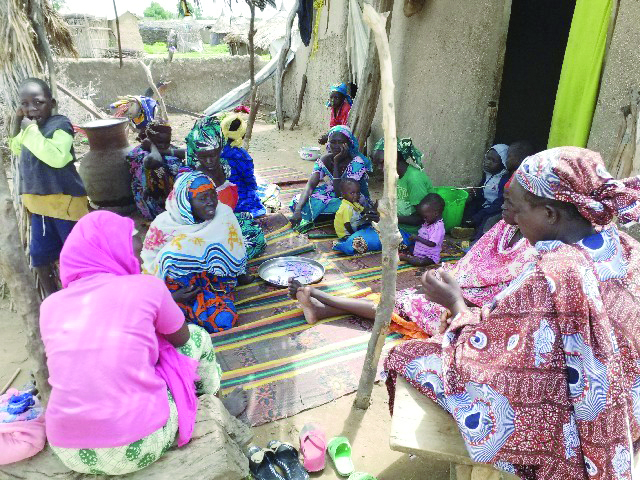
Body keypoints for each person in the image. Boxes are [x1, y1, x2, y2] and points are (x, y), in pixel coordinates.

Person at [384, 147, 640, 479]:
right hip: (628, 409)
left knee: (408, 356)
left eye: (518, 211)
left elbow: (501, 365)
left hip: (579, 429)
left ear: (550, 214)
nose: (510, 219)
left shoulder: (553, 276)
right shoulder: (624, 247)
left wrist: (457, 306)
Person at [40, 210, 249, 475]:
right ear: (111, 250)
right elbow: (183, 338)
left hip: (68, 449)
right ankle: (216, 409)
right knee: (199, 338)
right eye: (131, 242)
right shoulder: (147, 287)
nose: (139, 250)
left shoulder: (50, 306)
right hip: (139, 444)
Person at [289, 182, 532, 338]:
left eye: (510, 201)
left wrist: (453, 296)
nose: (502, 204)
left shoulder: (536, 255)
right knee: (403, 299)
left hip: (476, 316)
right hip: (459, 294)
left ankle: (319, 296)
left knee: (403, 304)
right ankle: (319, 310)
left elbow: (503, 302)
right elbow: (470, 266)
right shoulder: (503, 228)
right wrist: (444, 281)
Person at [9, 77, 88, 297]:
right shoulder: (30, 128)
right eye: (25, 104)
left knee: (75, 255)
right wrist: (19, 123)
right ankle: (53, 303)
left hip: (65, 205)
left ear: (51, 103)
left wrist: (31, 131)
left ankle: (84, 298)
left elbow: (57, 158)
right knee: (39, 257)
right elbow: (15, 147)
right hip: (40, 208)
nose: (31, 108)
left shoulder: (60, 124)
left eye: (38, 102)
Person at [142, 172, 249, 334]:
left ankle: (181, 317)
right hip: (177, 291)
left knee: (223, 320)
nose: (211, 202)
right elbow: (150, 268)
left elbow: (235, 250)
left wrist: (239, 274)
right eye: (202, 198)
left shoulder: (223, 214)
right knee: (172, 255)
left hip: (213, 283)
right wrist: (172, 297)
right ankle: (171, 310)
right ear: (186, 202)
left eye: (213, 195)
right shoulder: (163, 225)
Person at [184, 116, 266, 260]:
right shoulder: (190, 178)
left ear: (220, 148)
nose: (209, 161)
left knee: (256, 237)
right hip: (201, 230)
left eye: (213, 155)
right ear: (195, 154)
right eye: (203, 157)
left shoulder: (225, 167)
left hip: (225, 221)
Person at [291, 125, 372, 231]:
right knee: (298, 201)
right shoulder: (324, 160)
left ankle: (328, 217)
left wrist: (336, 162)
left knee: (345, 207)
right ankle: (329, 217)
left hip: (353, 197)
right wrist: (298, 210)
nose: (336, 146)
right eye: (333, 142)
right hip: (333, 191)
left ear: (348, 143)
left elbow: (342, 194)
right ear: (328, 143)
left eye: (341, 142)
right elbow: (310, 185)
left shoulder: (357, 162)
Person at [371, 138, 434, 238]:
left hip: (413, 233)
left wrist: (388, 219)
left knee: (360, 241)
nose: (379, 168)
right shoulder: (392, 175)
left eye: (382, 162)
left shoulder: (414, 179)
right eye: (376, 164)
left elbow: (421, 219)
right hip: (395, 226)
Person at [127, 122, 185, 221]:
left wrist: (163, 151)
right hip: (151, 205)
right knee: (159, 170)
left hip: (172, 199)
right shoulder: (140, 153)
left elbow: (190, 153)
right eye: (159, 142)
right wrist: (152, 147)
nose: (163, 145)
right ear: (149, 139)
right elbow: (155, 161)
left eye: (167, 142)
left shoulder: (168, 148)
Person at [220, 113, 267, 217]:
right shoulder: (241, 156)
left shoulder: (215, 151)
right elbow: (250, 182)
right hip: (236, 199)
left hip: (218, 197)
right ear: (241, 134)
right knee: (252, 194)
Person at [461, 144, 510, 240]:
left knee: (486, 219)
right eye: (487, 158)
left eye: (493, 161)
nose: (488, 163)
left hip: (496, 208)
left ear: (503, 163)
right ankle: (464, 229)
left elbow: (500, 202)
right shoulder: (487, 174)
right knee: (469, 206)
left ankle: (477, 239)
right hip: (486, 204)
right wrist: (476, 193)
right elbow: (482, 193)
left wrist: (481, 213)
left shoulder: (504, 180)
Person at [399, 193, 446, 267]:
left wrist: (417, 238)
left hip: (429, 257)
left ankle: (406, 258)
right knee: (408, 246)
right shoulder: (428, 222)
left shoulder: (438, 227)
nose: (423, 219)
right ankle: (411, 255)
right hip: (420, 251)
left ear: (436, 213)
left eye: (425, 217)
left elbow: (432, 243)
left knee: (420, 262)